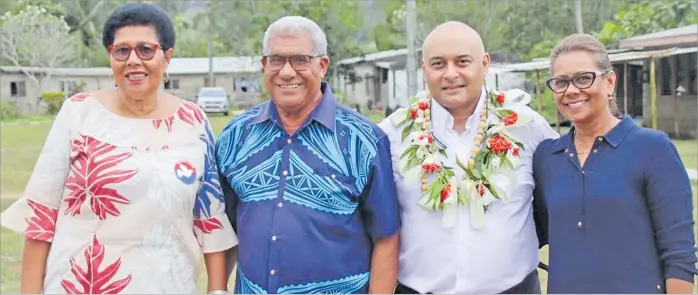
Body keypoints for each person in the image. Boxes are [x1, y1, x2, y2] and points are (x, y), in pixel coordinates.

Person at [0, 3, 237, 294]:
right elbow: (42, 214)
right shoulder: (79, 112)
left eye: (146, 49)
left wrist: (216, 290)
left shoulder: (194, 121)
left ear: (167, 58)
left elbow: (209, 216)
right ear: (111, 58)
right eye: (121, 50)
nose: (133, 60)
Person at [217, 16, 400, 294]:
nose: (287, 72)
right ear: (264, 65)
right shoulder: (234, 137)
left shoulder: (363, 141)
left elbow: (387, 238)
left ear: (322, 65)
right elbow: (221, 228)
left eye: (300, 59)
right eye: (276, 59)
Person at [379, 21, 558, 294]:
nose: (451, 74)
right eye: (438, 64)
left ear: (485, 63)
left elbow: (560, 199)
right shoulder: (393, 133)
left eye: (463, 61)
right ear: (423, 68)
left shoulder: (526, 126)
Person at [532, 33, 697, 294]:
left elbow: (679, 254)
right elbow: (530, 233)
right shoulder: (546, 158)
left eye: (583, 78)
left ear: (609, 82)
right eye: (561, 82)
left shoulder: (653, 148)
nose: (571, 90)